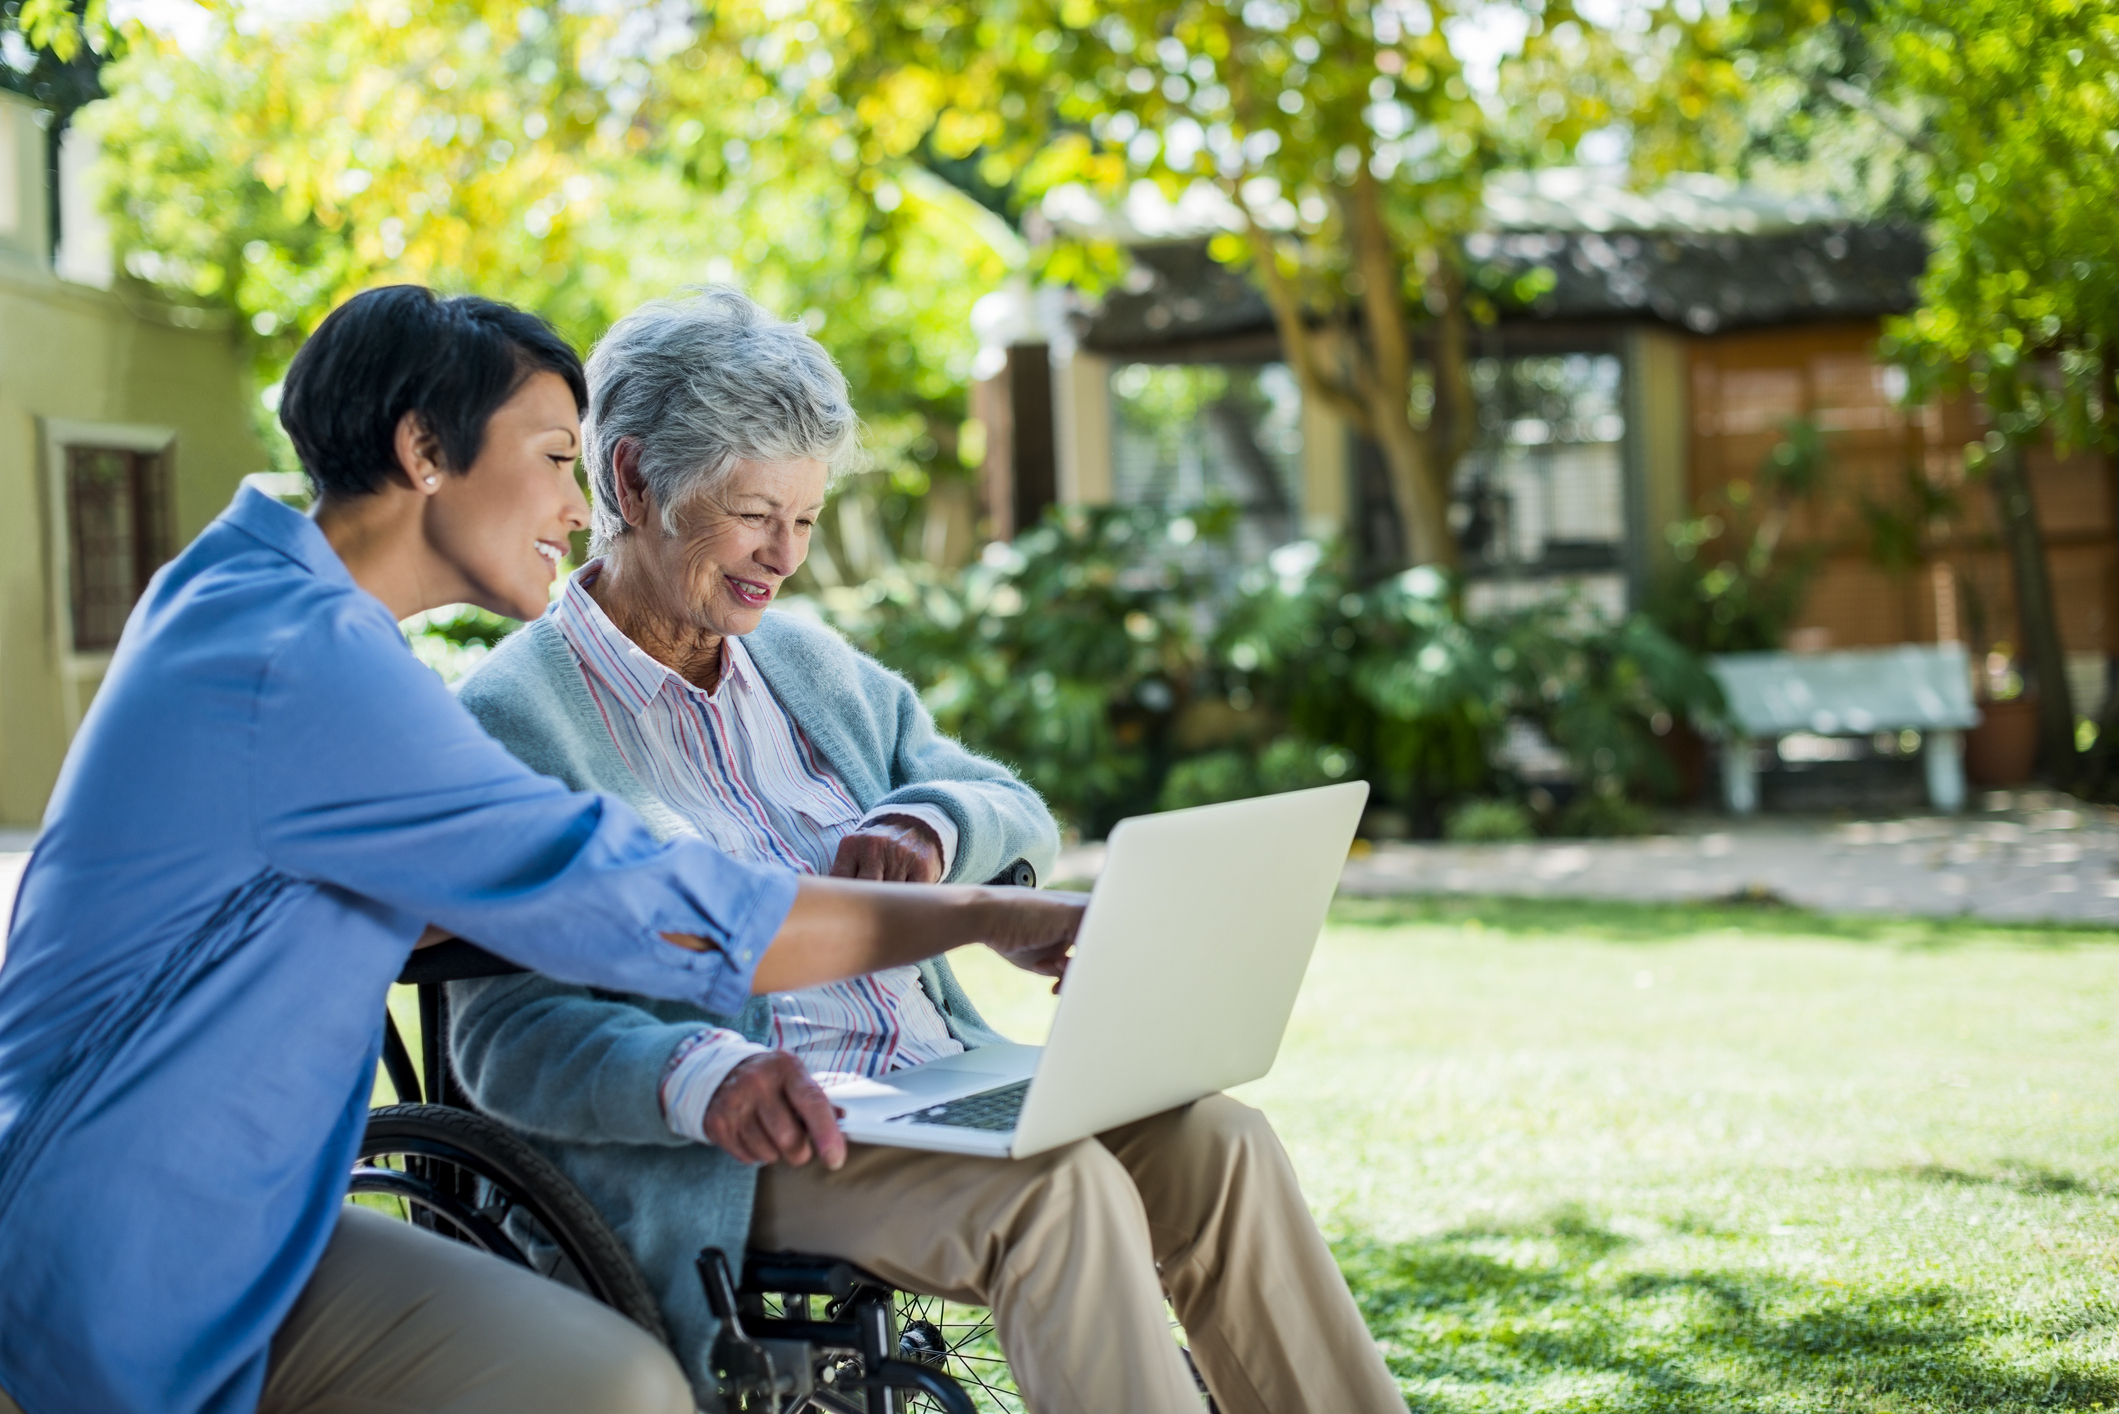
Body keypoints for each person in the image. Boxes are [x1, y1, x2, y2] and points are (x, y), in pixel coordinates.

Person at [0, 286, 1084, 1414]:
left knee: (610, 1379)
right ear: (424, 449)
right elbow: (657, 904)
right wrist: (980, 911)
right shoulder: (309, 663)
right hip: (117, 1254)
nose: (580, 510)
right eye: (560, 457)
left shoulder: (241, 593)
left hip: (262, 1223)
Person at [448, 288, 1408, 1414]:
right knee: (1060, 1193)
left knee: (1220, 1140)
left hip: (931, 1081)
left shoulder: (810, 670)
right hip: (738, 1152)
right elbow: (505, 1040)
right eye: (757, 513)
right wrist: (703, 1075)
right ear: (630, 482)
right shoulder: (517, 715)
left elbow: (1006, 806)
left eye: (804, 521)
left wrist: (931, 825)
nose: (784, 557)